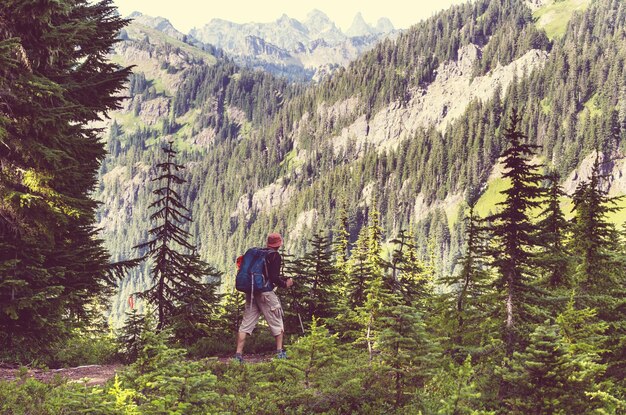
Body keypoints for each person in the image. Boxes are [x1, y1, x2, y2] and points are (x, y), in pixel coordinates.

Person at [234, 232, 294, 362]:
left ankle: (238, 356)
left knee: (246, 324)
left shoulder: (258, 253)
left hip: (251, 292)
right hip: (265, 293)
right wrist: (286, 284)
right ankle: (280, 354)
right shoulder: (274, 256)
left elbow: (267, 275)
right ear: (279, 244)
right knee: (277, 321)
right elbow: (273, 277)